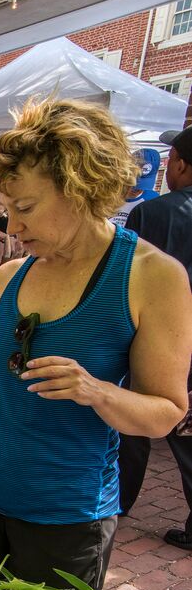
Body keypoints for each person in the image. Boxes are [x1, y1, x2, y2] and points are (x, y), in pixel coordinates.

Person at [0, 99, 192, 590]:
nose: (13, 228)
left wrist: (96, 391)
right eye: (8, 210)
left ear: (80, 188)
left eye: (26, 208)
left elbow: (166, 410)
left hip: (65, 522)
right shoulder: (9, 277)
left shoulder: (151, 276)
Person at [119, 125, 192, 549]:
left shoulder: (153, 213)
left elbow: (125, 282)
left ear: (180, 165)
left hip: (150, 341)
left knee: (136, 425)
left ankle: (121, 502)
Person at [110, 148, 160, 228]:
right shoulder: (109, 194)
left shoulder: (153, 200)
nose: (135, 189)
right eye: (131, 182)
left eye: (142, 185)